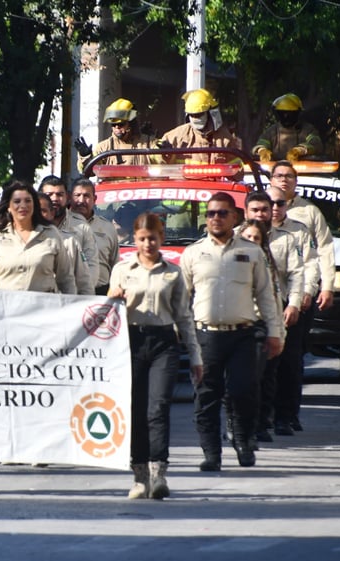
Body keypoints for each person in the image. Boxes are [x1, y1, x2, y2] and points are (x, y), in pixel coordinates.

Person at [179, 192, 282, 471]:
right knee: (206, 396)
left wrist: (275, 332)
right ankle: (211, 453)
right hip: (206, 336)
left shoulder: (251, 252)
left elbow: (265, 296)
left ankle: (244, 440)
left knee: (243, 391)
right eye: (211, 213)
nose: (216, 218)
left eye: (222, 213)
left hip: (242, 335)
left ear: (234, 217)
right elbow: (181, 299)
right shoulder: (193, 253)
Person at [107, 212, 202, 500]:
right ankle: (139, 476)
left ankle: (158, 472)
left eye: (153, 238)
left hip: (163, 341)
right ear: (134, 240)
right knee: (135, 409)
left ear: (161, 238)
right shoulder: (123, 270)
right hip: (132, 342)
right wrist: (113, 295)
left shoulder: (173, 273)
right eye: (142, 239)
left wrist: (195, 356)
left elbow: (184, 317)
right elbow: (107, 311)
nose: (148, 244)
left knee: (157, 408)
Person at [269, 161, 335, 432]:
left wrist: (322, 287)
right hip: (264, 301)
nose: (284, 180)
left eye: (289, 176)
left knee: (290, 359)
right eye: (279, 176)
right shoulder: (259, 209)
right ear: (271, 179)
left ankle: (288, 414)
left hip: (297, 298)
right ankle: (263, 414)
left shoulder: (309, 212)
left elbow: (322, 252)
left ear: (296, 181)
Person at [242, 192, 305, 443]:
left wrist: (295, 304)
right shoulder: (236, 237)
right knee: (245, 374)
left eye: (264, 210)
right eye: (255, 210)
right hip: (241, 316)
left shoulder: (286, 240)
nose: (260, 215)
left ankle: (271, 420)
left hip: (275, 312)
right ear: (246, 212)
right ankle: (243, 422)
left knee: (273, 371)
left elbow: (296, 274)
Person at [0, 181, 76, 294]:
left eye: (28, 201)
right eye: (17, 201)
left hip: (45, 308)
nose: (23, 206)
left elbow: (66, 279)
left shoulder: (51, 234)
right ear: (8, 207)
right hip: (7, 307)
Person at [38, 175, 99, 287]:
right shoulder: (31, 225)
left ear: (67, 197)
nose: (55, 198)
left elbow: (91, 266)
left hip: (72, 297)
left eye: (60, 194)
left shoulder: (82, 227)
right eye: (49, 195)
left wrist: (81, 296)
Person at [159, 89, 242, 164]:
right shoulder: (177, 136)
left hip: (215, 181)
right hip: (186, 181)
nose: (195, 119)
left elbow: (237, 171)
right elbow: (156, 160)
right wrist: (163, 153)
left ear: (209, 113)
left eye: (199, 114)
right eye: (192, 115)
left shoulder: (224, 138)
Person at [70, 178, 121, 294]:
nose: (81, 200)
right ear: (70, 198)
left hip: (101, 293)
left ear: (95, 199)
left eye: (86, 196)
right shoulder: (61, 225)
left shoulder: (107, 227)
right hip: (70, 294)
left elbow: (115, 265)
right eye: (77, 195)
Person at [76, 98, 152, 174]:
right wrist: (85, 157)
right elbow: (89, 171)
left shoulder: (148, 143)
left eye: (121, 124)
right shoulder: (104, 148)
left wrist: (162, 146)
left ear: (131, 123)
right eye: (113, 124)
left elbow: (161, 159)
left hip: (142, 186)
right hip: (114, 185)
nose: (116, 127)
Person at [252, 93, 323, 162]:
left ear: (298, 113)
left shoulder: (308, 129)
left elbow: (316, 144)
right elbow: (261, 143)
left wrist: (300, 150)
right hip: (276, 170)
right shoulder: (272, 131)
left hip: (302, 170)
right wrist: (262, 150)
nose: (286, 116)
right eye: (282, 113)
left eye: (290, 113)